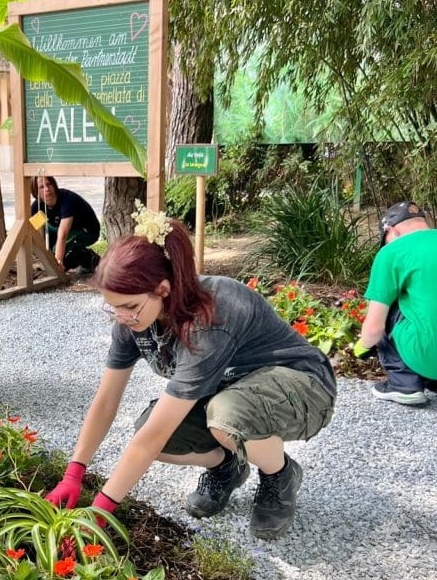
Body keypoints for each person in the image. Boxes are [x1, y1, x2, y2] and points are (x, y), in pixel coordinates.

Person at [45, 205, 337, 540]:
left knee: (226, 416)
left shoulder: (210, 317)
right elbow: (106, 401)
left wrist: (101, 511)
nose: (121, 316)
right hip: (231, 391)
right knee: (159, 431)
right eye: (113, 306)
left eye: (128, 306)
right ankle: (226, 466)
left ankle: (279, 475)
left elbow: (150, 439)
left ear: (164, 290)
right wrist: (74, 471)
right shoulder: (133, 321)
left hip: (301, 385)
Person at [354, 200, 437, 405]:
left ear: (392, 231)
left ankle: (403, 384)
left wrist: (362, 347)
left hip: (428, 358)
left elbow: (374, 327)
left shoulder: (392, 252)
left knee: (389, 305)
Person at [30, 175, 101, 272]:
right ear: (36, 191)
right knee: (48, 248)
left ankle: (87, 257)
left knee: (58, 255)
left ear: (54, 185)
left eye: (49, 184)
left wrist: (57, 263)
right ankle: (78, 257)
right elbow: (40, 235)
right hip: (63, 229)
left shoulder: (67, 200)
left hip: (87, 231)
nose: (47, 189)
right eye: (41, 187)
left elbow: (63, 235)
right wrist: (45, 257)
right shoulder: (36, 207)